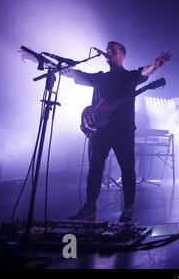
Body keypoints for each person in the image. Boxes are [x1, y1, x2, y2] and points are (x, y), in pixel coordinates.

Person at [63, 41, 171, 222]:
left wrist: (154, 66)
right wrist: (44, 63)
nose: (108, 53)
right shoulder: (100, 78)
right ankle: (90, 205)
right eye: (107, 50)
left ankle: (128, 207)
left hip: (123, 130)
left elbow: (144, 72)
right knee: (95, 169)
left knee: (127, 169)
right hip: (99, 131)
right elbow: (75, 74)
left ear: (122, 55)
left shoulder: (130, 76)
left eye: (113, 50)